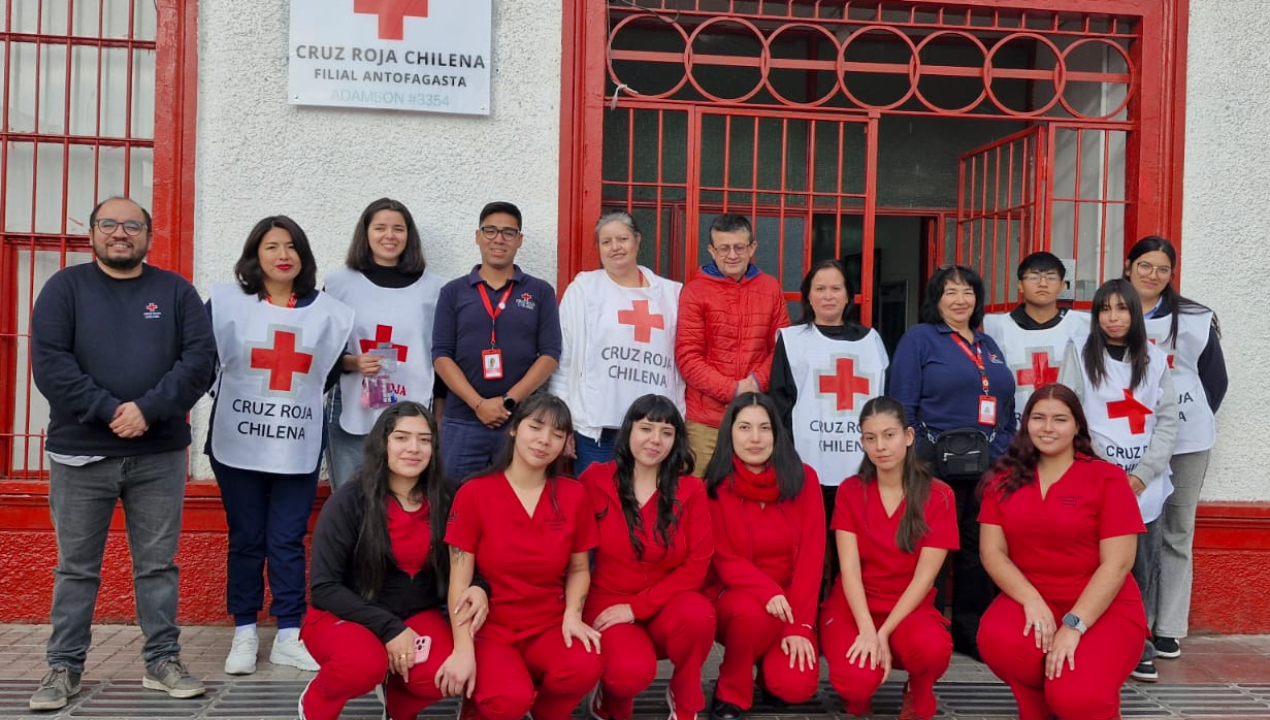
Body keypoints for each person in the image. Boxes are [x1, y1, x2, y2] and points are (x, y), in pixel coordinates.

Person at [28, 197, 217, 709]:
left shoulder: (175, 292)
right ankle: (63, 668)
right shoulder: (64, 289)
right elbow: (50, 364)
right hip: (80, 456)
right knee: (76, 568)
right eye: (108, 223)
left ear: (148, 237)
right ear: (91, 233)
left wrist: (148, 411)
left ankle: (162, 662)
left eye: (132, 225)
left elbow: (199, 362)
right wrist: (111, 410)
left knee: (157, 566)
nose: (120, 233)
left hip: (158, 455)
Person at [207, 216, 355, 675]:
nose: (282, 255)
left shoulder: (327, 312)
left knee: (287, 538)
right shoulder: (227, 303)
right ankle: (245, 632)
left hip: (295, 440)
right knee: (247, 537)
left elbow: (325, 373)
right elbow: (204, 361)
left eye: (291, 246)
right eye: (271, 246)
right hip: (238, 439)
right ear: (256, 254)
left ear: (303, 255)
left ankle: (290, 632)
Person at [301, 402, 490, 720]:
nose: (414, 448)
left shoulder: (449, 497)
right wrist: (389, 629)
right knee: (362, 665)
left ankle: (397, 706)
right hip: (346, 614)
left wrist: (480, 587)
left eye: (424, 440)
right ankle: (315, 703)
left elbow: (473, 562)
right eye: (402, 438)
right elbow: (324, 587)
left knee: (446, 673)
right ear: (382, 443)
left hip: (417, 614)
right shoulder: (349, 501)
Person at [977, 384, 1146, 720]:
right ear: (1026, 423)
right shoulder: (1003, 479)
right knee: (999, 641)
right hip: (1035, 598)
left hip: (1103, 606)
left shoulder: (1107, 478)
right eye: (1038, 418)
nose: (1048, 428)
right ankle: (1036, 707)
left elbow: (1118, 562)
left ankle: (1079, 698)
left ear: (1077, 425)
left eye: (1060, 419)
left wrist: (1074, 625)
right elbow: (992, 552)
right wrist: (1030, 599)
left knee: (1078, 699)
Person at [444, 394, 603, 720]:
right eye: (536, 427)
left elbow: (579, 568)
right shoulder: (474, 493)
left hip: (548, 623)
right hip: (491, 628)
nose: (544, 440)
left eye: (557, 434)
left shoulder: (573, 495)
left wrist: (573, 616)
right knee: (508, 700)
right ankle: (480, 706)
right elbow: (459, 583)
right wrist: (463, 650)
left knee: (585, 665)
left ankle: (545, 711)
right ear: (515, 428)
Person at [889, 264, 1017, 659]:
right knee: (931, 548)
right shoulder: (920, 339)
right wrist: (915, 455)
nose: (960, 300)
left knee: (979, 550)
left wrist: (1003, 450)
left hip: (987, 467)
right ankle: (926, 629)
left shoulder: (988, 345)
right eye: (950, 292)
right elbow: (902, 404)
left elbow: (1006, 407)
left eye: (968, 292)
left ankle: (970, 632)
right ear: (936, 299)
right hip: (934, 466)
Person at [1059, 278, 1178, 682]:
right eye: (1105, 309)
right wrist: (1100, 470)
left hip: (1146, 485)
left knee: (1141, 569)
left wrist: (1142, 475)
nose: (1113, 317)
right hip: (1094, 478)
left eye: (1122, 308)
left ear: (1135, 313)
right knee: (1092, 564)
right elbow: (1068, 412)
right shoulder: (1080, 352)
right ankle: (1087, 634)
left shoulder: (1155, 359)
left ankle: (1139, 645)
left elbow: (1167, 423)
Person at [818, 396, 958, 720]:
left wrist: (883, 633)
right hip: (855, 605)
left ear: (908, 436)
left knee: (932, 650)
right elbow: (849, 571)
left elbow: (924, 579)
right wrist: (868, 629)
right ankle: (861, 690)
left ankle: (918, 686)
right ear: (862, 442)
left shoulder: (939, 495)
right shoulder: (851, 490)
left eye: (889, 435)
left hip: (909, 607)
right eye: (870, 438)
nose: (880, 446)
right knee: (855, 683)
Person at [1124, 236, 1228, 660]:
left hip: (1186, 441)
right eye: (1145, 266)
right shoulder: (1110, 311)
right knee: (1131, 531)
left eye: (1162, 269)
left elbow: (1215, 382)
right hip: (1128, 443)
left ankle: (1167, 627)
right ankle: (1134, 622)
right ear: (1129, 266)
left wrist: (1182, 420)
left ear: (1171, 274)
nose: (1153, 275)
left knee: (1177, 531)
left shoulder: (1195, 319)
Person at [579, 394, 715, 720]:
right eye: (646, 428)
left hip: (667, 602)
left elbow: (697, 565)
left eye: (666, 432)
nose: (655, 440)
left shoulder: (691, 490)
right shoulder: (595, 479)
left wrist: (637, 607)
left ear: (676, 440)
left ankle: (684, 695)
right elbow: (571, 550)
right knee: (628, 675)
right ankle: (610, 693)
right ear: (628, 430)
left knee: (700, 615)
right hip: (609, 602)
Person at [703, 393, 824, 720]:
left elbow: (812, 558)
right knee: (751, 613)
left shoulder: (804, 479)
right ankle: (731, 691)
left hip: (790, 603)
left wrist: (800, 625)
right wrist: (766, 591)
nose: (755, 438)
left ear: (777, 433)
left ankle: (768, 670)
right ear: (729, 433)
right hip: (736, 598)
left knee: (794, 687)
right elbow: (722, 558)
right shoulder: (714, 486)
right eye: (744, 427)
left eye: (764, 428)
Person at [770, 259, 889, 590]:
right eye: (819, 288)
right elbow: (780, 401)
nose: (828, 296)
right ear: (808, 295)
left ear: (849, 295)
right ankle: (812, 610)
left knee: (857, 547)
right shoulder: (792, 339)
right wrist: (786, 459)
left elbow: (884, 400)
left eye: (836, 288)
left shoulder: (871, 340)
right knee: (810, 547)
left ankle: (849, 609)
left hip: (860, 465)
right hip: (808, 463)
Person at [432, 202, 562, 483]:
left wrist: (508, 401)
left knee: (516, 499)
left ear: (519, 239)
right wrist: (478, 404)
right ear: (478, 236)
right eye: (490, 231)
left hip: (520, 421)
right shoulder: (453, 292)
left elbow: (550, 354)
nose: (498, 239)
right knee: (456, 501)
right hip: (463, 420)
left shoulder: (540, 291)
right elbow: (441, 356)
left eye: (508, 232)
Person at [324, 198, 448, 489]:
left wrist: (440, 414)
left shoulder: (435, 289)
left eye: (398, 229)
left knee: (405, 495)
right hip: (351, 401)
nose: (389, 236)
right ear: (365, 232)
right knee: (351, 496)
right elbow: (322, 351)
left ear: (409, 235)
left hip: (413, 404)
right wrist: (353, 362)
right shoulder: (339, 283)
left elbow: (441, 354)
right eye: (380, 228)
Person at [550, 212, 685, 474]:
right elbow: (564, 361)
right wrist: (561, 423)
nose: (615, 247)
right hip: (596, 431)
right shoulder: (584, 289)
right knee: (598, 498)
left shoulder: (671, 294)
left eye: (622, 239)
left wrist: (679, 417)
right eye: (606, 241)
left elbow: (679, 366)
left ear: (637, 240)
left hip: (654, 429)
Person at [675, 214, 790, 477]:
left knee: (751, 490)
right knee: (698, 491)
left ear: (752, 247)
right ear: (711, 250)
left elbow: (781, 349)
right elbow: (688, 356)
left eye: (739, 247)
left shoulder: (771, 288)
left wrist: (756, 383)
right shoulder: (694, 291)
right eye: (724, 248)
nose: (732, 255)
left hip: (756, 416)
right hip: (706, 420)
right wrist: (733, 389)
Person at [982, 251, 1090, 426]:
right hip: (1013, 429)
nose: (1043, 283)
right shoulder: (995, 326)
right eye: (1034, 277)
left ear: (1063, 285)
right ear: (1020, 285)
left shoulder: (1083, 325)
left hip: (1067, 429)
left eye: (1051, 277)